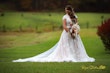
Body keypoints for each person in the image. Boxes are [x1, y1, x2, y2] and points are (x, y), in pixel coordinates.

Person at [12, 5, 95, 62]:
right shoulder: (64, 17)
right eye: (65, 10)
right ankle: (67, 56)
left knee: (76, 45)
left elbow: (76, 24)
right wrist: (69, 31)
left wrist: (75, 30)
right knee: (66, 46)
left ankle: (78, 57)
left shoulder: (75, 16)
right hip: (66, 34)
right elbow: (64, 26)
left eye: (67, 10)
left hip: (75, 33)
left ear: (70, 10)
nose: (66, 12)